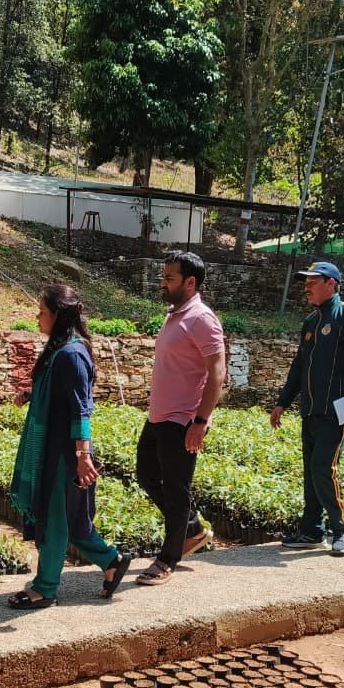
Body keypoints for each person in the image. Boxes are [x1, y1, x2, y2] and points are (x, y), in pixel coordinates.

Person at [8, 284, 132, 609]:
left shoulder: (72, 354)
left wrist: (82, 456)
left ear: (57, 315)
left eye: (41, 312)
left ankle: (45, 588)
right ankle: (111, 561)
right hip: (54, 449)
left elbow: (80, 411)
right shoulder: (60, 350)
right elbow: (59, 396)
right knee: (72, 520)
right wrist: (31, 395)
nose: (37, 318)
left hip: (64, 454)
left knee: (54, 520)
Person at [134, 250, 227, 585]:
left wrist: (200, 422)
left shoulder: (201, 319)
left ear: (190, 282)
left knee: (176, 489)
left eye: (169, 278)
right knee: (146, 475)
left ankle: (168, 558)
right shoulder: (175, 315)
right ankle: (191, 528)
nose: (163, 282)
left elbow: (217, 374)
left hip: (183, 419)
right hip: (159, 415)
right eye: (164, 277)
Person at [269, 261, 344, 557]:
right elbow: (299, 367)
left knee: (322, 468)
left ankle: (343, 528)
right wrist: (283, 402)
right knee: (310, 472)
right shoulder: (310, 323)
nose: (307, 287)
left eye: (313, 281)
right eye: (305, 282)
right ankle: (312, 532)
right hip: (310, 410)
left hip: (336, 410)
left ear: (331, 284)